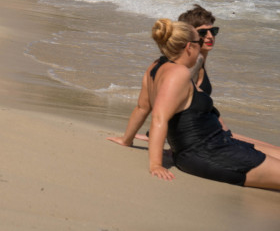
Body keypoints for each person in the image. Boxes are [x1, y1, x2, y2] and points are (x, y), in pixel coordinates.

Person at [108, 19, 280, 190]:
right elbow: (159, 117)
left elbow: (142, 108)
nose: (201, 47)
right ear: (190, 46)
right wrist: (156, 164)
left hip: (218, 144)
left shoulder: (155, 66)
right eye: (199, 42)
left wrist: (126, 140)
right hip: (209, 153)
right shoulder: (179, 73)